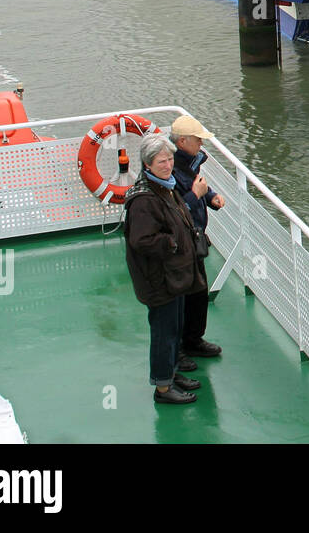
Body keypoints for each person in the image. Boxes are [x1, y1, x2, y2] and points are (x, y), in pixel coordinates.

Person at [124, 132, 207, 405]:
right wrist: (173, 244)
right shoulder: (145, 200)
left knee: (175, 327)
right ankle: (163, 388)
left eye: (170, 159)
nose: (168, 165)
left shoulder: (165, 187)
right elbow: (142, 240)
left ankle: (171, 373)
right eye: (161, 161)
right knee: (164, 333)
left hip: (175, 275)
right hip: (160, 279)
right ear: (148, 165)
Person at [170, 115, 225, 361]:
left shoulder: (190, 163)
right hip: (179, 243)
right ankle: (178, 349)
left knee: (198, 293)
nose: (201, 146)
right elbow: (174, 211)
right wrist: (197, 195)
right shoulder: (168, 171)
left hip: (194, 239)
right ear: (182, 142)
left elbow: (194, 185)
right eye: (198, 141)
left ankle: (193, 339)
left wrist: (209, 196)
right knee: (181, 297)